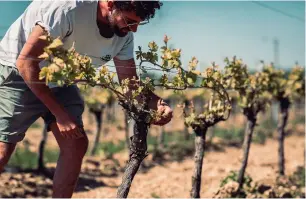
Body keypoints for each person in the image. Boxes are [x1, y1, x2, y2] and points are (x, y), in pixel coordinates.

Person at [0, 0, 173, 197]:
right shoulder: (65, 9)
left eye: (138, 24)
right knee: (3, 149)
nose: (133, 29)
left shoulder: (123, 35)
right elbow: (26, 62)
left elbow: (130, 85)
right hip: (18, 72)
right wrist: (60, 115)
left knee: (76, 144)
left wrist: (158, 104)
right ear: (110, 4)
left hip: (59, 78)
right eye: (129, 21)